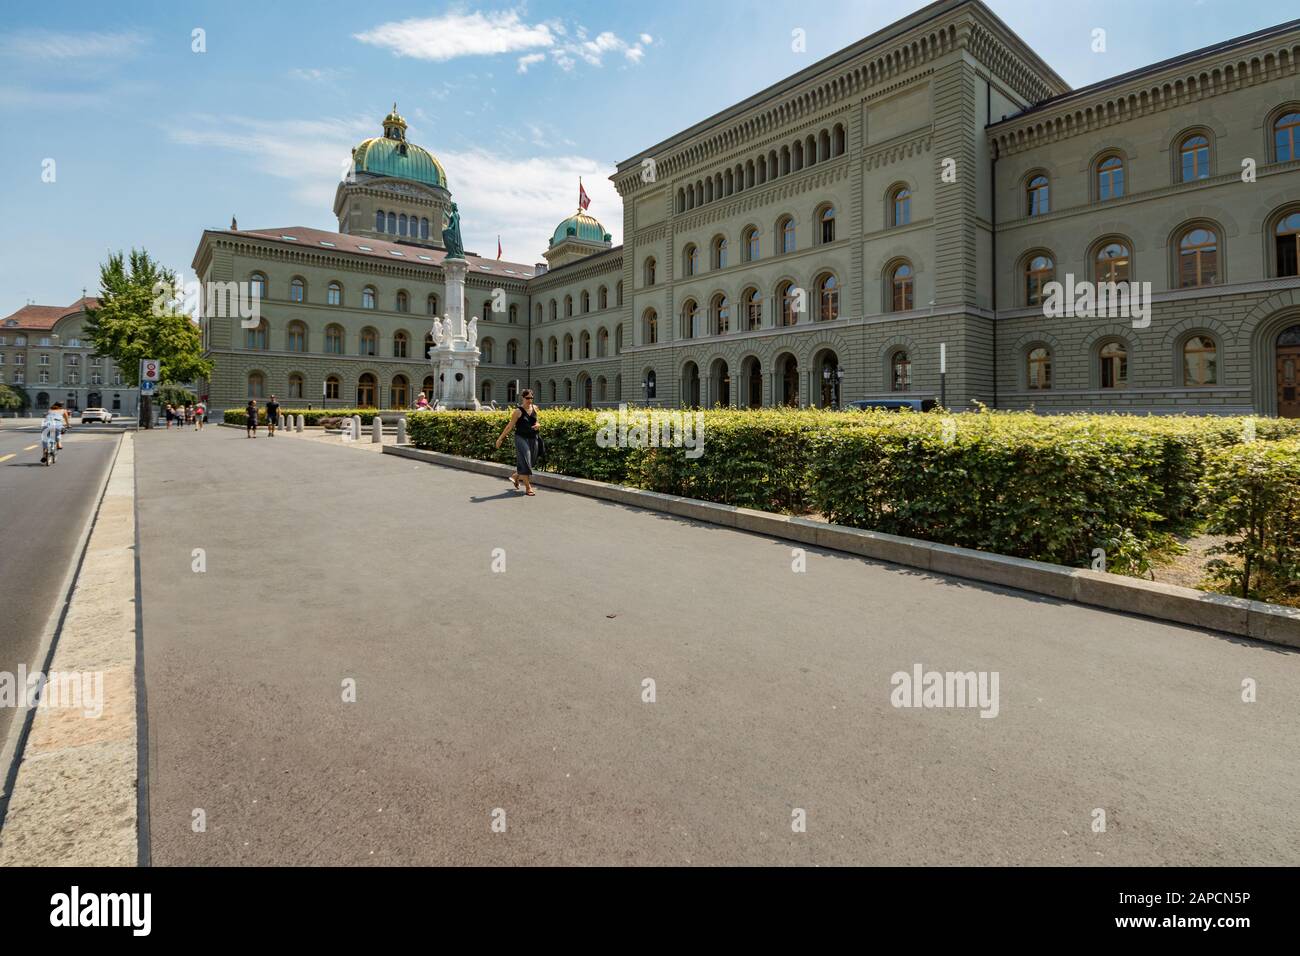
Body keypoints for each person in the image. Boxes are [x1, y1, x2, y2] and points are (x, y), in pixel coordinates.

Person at [494, 389, 540, 496]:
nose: (530, 400)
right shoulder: (518, 411)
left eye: (531, 398)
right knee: (525, 461)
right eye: (527, 398)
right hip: (521, 438)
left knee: (531, 461)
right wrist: (500, 438)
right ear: (523, 398)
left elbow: (536, 421)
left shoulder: (535, 408)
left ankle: (516, 476)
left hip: (533, 437)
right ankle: (528, 488)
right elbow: (510, 426)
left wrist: (538, 425)